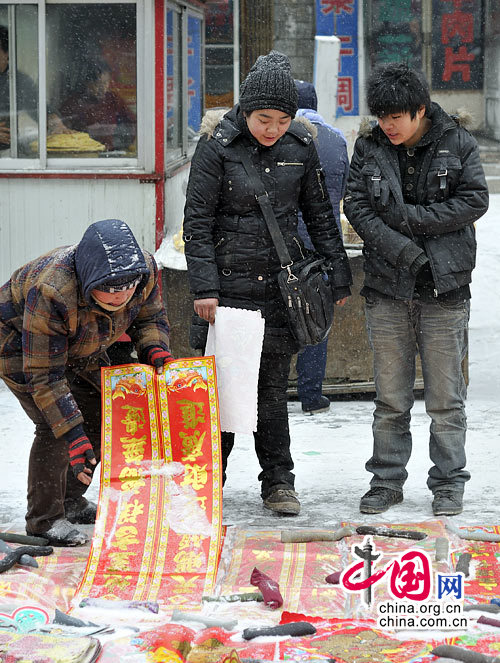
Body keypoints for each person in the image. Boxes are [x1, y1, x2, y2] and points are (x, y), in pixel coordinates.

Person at [183, 51, 352, 516]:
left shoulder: (301, 146)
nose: (272, 129)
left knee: (271, 392)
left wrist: (337, 271)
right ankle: (208, 480)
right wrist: (204, 288)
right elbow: (197, 221)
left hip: (280, 288)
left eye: (281, 120)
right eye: (263, 119)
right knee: (218, 389)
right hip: (228, 291)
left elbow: (320, 215)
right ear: (245, 111)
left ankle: (278, 481)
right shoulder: (217, 145)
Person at [343, 63, 489, 517]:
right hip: (388, 287)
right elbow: (356, 206)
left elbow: (474, 199)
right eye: (381, 117)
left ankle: (448, 483)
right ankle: (386, 481)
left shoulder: (457, 142)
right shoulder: (369, 147)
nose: (386, 126)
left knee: (446, 399)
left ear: (420, 110)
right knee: (390, 397)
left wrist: (412, 221)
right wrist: (406, 248)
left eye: (396, 118)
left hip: (445, 290)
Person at [0, 219, 172, 546]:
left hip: (83, 341)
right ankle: (44, 520)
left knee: (99, 414)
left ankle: (70, 500)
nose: (121, 295)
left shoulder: (144, 271)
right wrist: (72, 433)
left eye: (127, 287)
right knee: (55, 425)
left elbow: (150, 317)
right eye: (110, 288)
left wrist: (154, 348)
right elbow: (45, 377)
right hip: (19, 344)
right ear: (89, 278)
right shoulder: (51, 289)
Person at [294, 79, 349, 415]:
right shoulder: (337, 139)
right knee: (315, 316)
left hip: (286, 241)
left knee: (279, 317)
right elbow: (340, 193)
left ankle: (266, 391)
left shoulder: (282, 136)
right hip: (324, 241)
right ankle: (311, 394)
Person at [0, 25, 69, 154]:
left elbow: (39, 107)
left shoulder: (18, 80)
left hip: (8, 153)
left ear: (7, 53)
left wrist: (55, 123)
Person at [59, 58, 136, 153]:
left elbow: (132, 122)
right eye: (98, 84)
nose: (102, 88)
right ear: (87, 83)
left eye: (105, 83)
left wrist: (126, 141)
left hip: (111, 151)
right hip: (83, 153)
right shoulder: (73, 104)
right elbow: (63, 133)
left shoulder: (113, 99)